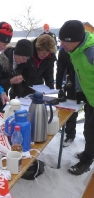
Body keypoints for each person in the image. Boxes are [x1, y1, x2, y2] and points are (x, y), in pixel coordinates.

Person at [59, 20, 94, 175]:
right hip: (90, 97)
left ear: (77, 41)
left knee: (92, 131)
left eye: (65, 42)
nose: (62, 45)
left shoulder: (91, 52)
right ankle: (89, 153)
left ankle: (86, 161)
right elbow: (80, 73)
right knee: (88, 128)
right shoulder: (75, 51)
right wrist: (80, 91)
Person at [9, 34, 57, 99]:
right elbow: (18, 72)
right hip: (21, 88)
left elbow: (49, 74)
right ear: (37, 48)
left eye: (48, 53)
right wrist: (20, 93)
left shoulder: (50, 57)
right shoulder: (27, 52)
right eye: (43, 53)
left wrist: (50, 89)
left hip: (38, 89)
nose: (45, 55)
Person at [0, 39, 33, 111]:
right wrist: (10, 81)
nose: (25, 61)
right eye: (24, 58)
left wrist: (21, 98)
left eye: (27, 59)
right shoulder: (2, 60)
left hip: (9, 96)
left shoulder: (22, 62)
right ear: (16, 53)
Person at [56, 47, 79, 147]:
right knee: (71, 109)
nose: (64, 45)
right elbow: (60, 68)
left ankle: (89, 138)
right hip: (72, 82)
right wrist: (58, 87)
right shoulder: (63, 51)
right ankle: (70, 134)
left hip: (88, 82)